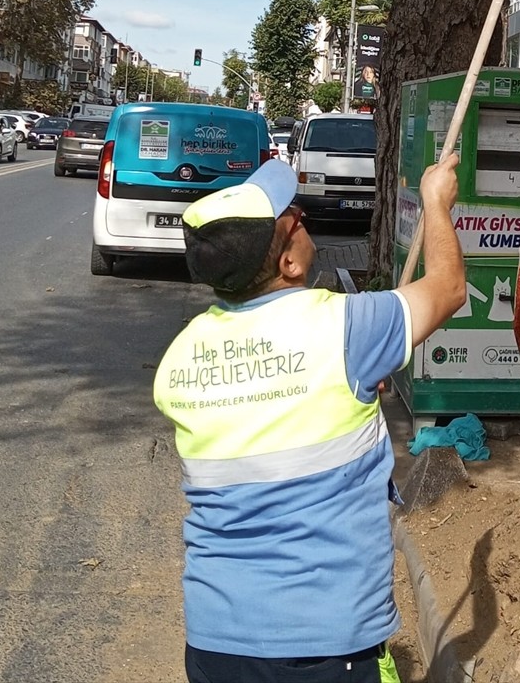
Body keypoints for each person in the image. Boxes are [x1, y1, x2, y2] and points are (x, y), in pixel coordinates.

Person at [153, 155, 465, 683]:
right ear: (289, 264)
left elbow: (269, 408)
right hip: (326, 640)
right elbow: (449, 288)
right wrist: (436, 201)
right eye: (295, 217)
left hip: (215, 640)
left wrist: (354, 391)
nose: (303, 217)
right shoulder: (347, 328)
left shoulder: (180, 358)